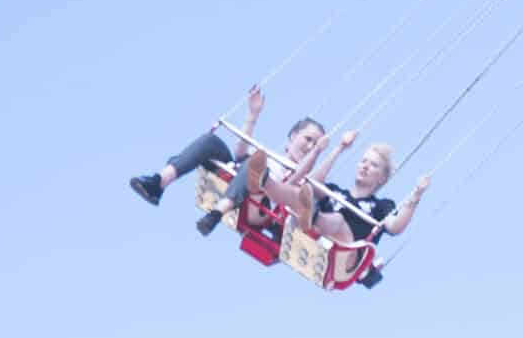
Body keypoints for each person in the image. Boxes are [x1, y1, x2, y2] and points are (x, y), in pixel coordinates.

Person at [129, 86, 326, 237]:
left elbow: (286, 193)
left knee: (257, 165)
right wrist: (253, 113)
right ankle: (159, 182)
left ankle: (216, 213)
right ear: (293, 136)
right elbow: (239, 153)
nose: (309, 147)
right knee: (211, 141)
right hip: (236, 179)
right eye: (307, 139)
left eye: (315, 145)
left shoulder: (303, 181)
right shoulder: (266, 156)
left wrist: (317, 154)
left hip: (260, 206)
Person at [268, 130, 431, 250]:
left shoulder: (382, 206)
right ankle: (264, 183)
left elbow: (395, 227)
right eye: (363, 161)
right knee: (301, 191)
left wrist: (415, 196)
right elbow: (311, 183)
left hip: (343, 253)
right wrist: (339, 148)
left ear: (382, 178)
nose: (365, 166)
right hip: (312, 235)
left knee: (338, 220)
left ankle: (312, 216)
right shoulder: (335, 192)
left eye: (373, 165)